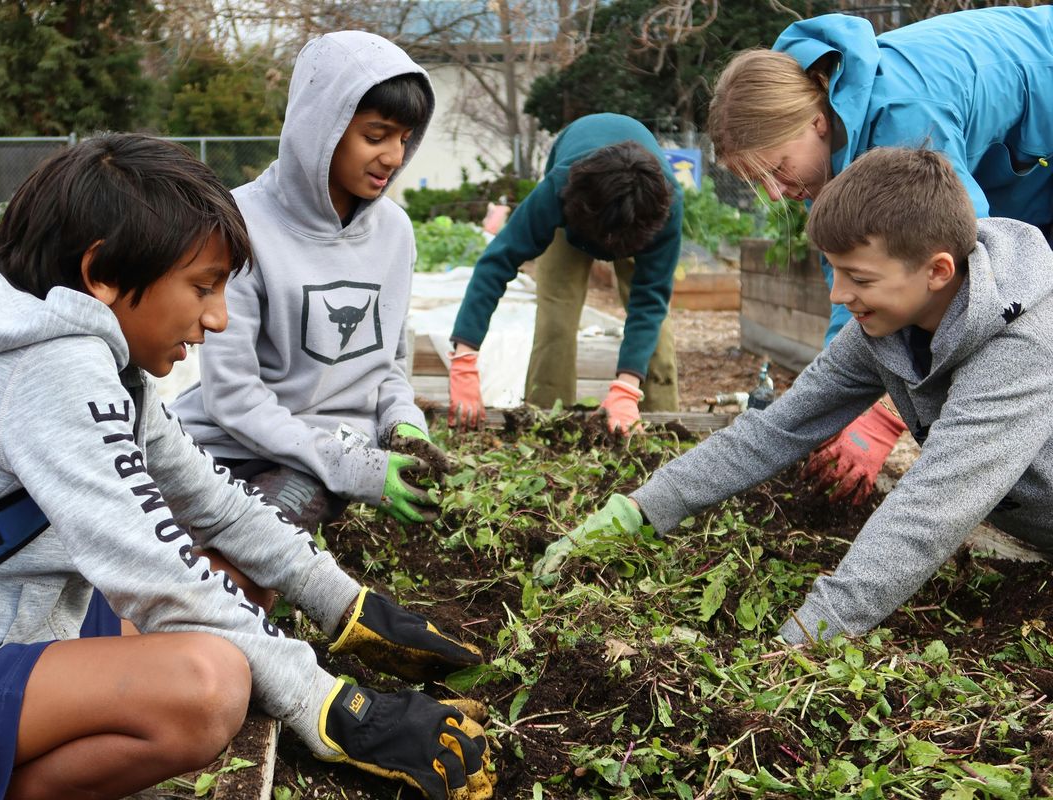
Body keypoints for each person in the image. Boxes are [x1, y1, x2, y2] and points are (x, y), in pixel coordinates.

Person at [0, 134, 493, 800]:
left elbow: (214, 501)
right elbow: (152, 570)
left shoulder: (84, 351)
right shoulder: (51, 367)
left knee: (237, 587)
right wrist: (333, 706)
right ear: (102, 274)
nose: (216, 317)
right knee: (207, 684)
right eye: (202, 287)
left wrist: (348, 605)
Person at [540, 147, 1053, 643]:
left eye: (859, 277)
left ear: (937, 270)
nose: (838, 295)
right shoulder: (883, 328)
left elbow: (934, 505)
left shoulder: (1023, 345)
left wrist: (810, 636)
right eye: (835, 271)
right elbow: (777, 428)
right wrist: (642, 509)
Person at [708, 5, 1053, 504]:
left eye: (777, 169)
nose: (777, 192)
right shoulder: (831, 127)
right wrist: (832, 406)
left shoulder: (902, 118)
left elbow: (971, 269)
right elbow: (854, 285)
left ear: (814, 122)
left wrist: (883, 413)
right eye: (758, 182)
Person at [173, 32, 449, 530]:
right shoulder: (239, 222)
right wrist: (353, 466)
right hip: (222, 443)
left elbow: (389, 366)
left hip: (321, 461)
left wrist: (403, 425)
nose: (394, 157)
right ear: (322, 126)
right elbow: (233, 394)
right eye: (376, 135)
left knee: (257, 545)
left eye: (404, 139)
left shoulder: (395, 233)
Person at [446, 113, 683, 434]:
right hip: (584, 204)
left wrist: (626, 387)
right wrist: (464, 358)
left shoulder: (664, 206)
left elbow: (649, 300)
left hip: (635, 210)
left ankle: (661, 429)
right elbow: (496, 263)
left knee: (656, 327)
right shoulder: (560, 188)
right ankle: (546, 425)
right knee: (556, 316)